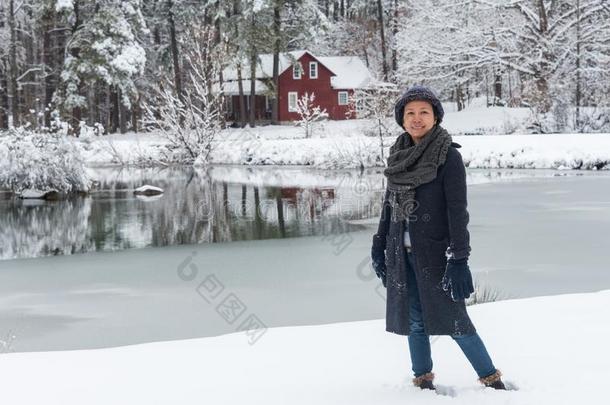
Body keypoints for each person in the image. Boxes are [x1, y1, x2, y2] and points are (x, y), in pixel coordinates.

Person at [370, 85, 506, 391]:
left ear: (435, 117)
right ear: (401, 119)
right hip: (401, 254)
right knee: (414, 321)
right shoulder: (398, 155)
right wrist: (378, 246)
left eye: (424, 113)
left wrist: (459, 258)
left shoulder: (448, 157)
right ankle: (423, 381)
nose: (417, 119)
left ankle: (493, 381)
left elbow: (458, 212)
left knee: (456, 321)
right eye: (410, 113)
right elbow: (389, 207)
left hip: (435, 256)